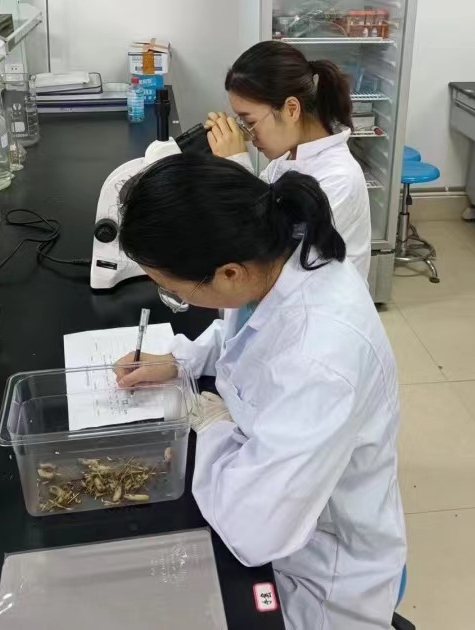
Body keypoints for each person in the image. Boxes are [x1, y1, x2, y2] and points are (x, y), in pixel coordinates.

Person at [114, 153, 406, 630]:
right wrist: (181, 359)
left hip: (315, 579)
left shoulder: (320, 360)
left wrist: (213, 427)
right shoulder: (271, 254)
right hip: (280, 506)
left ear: (229, 273)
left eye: (176, 291)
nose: (180, 300)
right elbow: (245, 329)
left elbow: (253, 530)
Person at [204, 40, 372, 282]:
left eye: (250, 122)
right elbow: (263, 207)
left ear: (291, 109)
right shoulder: (288, 158)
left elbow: (273, 258)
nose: (248, 136)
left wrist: (235, 168)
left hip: (319, 299)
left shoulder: (339, 178)